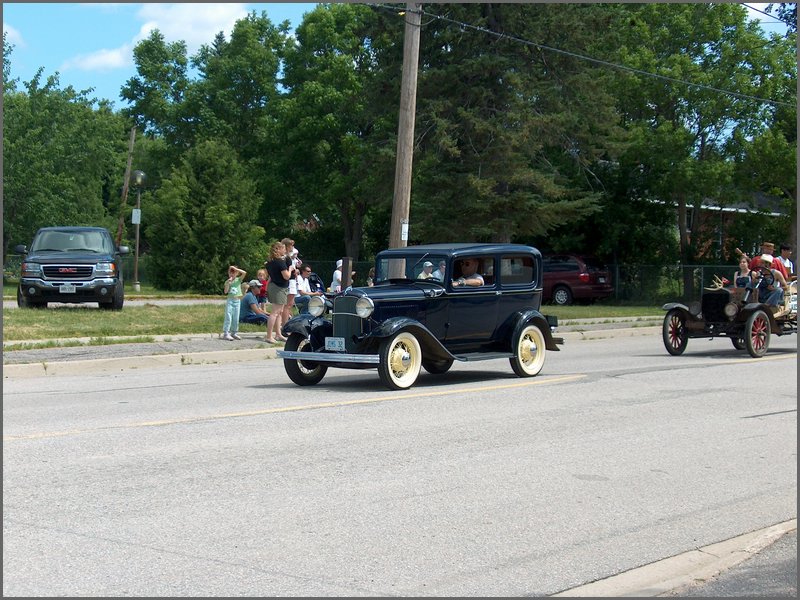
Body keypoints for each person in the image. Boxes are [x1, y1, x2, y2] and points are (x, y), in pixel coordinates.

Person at [265, 241, 291, 344]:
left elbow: (271, 276)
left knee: (279, 312)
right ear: (278, 249)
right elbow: (286, 276)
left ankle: (278, 334)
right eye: (283, 248)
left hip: (275, 286)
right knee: (275, 312)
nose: (285, 250)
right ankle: (269, 336)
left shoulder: (270, 262)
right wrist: (290, 268)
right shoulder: (280, 262)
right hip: (278, 288)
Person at [222, 265, 246, 341]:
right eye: (230, 273)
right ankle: (226, 333)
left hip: (237, 301)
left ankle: (234, 332)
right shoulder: (227, 281)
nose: (232, 274)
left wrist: (236, 269)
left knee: (236, 317)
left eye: (234, 273)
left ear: (237, 273)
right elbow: (225, 292)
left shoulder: (238, 280)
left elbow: (244, 273)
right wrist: (228, 284)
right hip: (230, 300)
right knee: (228, 316)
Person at [282, 238, 301, 325]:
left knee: (289, 305)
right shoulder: (286, 257)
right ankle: (285, 325)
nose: (293, 247)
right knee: (287, 305)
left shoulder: (289, 257)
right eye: (291, 245)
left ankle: (286, 323)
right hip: (290, 281)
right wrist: (294, 271)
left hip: (292, 280)